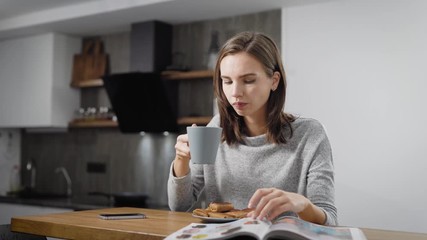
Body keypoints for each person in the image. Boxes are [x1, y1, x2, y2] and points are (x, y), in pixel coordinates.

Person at [167, 31, 337, 226]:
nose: (235, 93)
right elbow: (179, 207)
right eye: (227, 81)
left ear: (274, 81)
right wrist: (181, 160)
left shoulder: (310, 135)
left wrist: (303, 205)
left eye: (248, 80)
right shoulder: (216, 128)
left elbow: (329, 220)